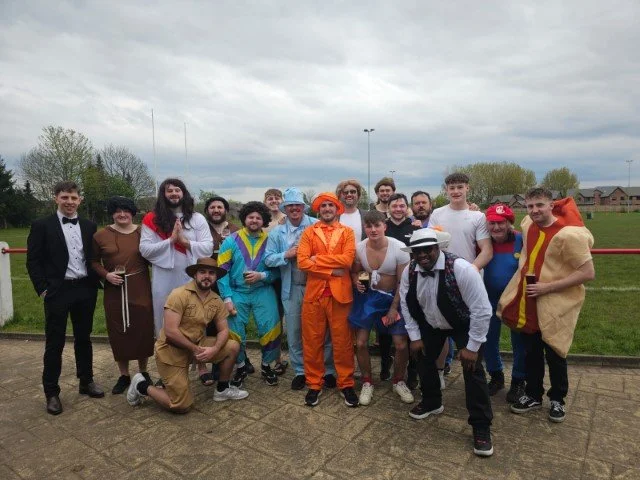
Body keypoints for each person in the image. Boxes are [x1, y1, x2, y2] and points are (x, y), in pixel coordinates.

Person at [499, 188, 595, 423]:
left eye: (540, 205)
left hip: (556, 303)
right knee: (531, 352)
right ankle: (533, 394)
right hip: (528, 300)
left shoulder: (568, 234)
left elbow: (588, 272)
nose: (535, 210)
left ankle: (558, 399)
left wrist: (548, 287)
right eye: (530, 206)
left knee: (555, 351)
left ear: (552, 205)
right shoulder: (528, 225)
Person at [399, 228, 494, 457]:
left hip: (463, 322)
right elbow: (405, 303)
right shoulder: (410, 270)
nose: (422, 255)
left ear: (437, 248)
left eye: (427, 249)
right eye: (417, 251)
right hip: (431, 322)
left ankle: (481, 426)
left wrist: (472, 347)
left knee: (472, 370)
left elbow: (482, 310)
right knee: (422, 357)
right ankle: (432, 401)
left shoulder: (461, 269)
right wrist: (415, 337)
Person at [126, 258, 248, 412]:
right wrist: (195, 349)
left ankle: (223, 389)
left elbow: (224, 330)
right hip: (171, 351)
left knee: (232, 346)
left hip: (197, 346)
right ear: (195, 275)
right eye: (202, 272)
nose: (207, 276)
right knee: (181, 406)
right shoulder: (179, 294)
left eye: (211, 273)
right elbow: (170, 331)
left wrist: (215, 349)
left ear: (216, 277)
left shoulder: (216, 300)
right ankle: (141, 385)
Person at [26, 181, 104, 415]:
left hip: (85, 289)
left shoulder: (90, 226)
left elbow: (93, 257)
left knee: (84, 338)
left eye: (73, 198)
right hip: (57, 291)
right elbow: (33, 260)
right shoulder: (42, 225)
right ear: (56, 199)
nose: (69, 202)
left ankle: (86, 381)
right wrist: (43, 289)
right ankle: (51, 392)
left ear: (80, 200)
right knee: (55, 342)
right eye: (65, 197)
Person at [265, 188, 337, 390]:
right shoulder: (277, 232)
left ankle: (327, 370)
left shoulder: (318, 225)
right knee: (295, 331)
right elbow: (268, 259)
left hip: (319, 285)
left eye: (298, 205)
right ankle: (300, 370)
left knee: (323, 330)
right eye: (290, 206)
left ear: (303, 207)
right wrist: (285, 255)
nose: (294, 209)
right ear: (285, 208)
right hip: (292, 287)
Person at [429, 172, 493, 381]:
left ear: (467, 188)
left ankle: (474, 382)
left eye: (460, 187)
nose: (456, 191)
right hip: (441, 280)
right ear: (446, 190)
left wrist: (469, 271)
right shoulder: (437, 214)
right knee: (439, 328)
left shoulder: (477, 216)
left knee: (469, 334)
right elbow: (431, 247)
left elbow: (486, 251)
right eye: (451, 188)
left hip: (468, 282)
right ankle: (439, 375)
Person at [298, 192, 358, 407]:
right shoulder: (309, 232)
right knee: (312, 341)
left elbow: (347, 260)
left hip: (340, 297)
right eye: (323, 206)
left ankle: (346, 383)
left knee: (343, 343)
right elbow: (302, 262)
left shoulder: (347, 232)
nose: (327, 209)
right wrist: (331, 271)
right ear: (318, 210)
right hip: (314, 295)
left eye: (330, 205)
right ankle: (314, 383)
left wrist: (318, 260)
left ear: (337, 209)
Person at [91, 196, 155, 394]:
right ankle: (124, 375)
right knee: (119, 330)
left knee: (143, 328)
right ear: (112, 213)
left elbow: (154, 256)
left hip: (140, 286)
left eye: (126, 211)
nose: (122, 214)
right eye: (118, 211)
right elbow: (93, 261)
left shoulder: (144, 233)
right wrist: (106, 275)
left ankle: (143, 372)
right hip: (115, 288)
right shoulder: (101, 235)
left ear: (132, 213)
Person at [350, 211, 414, 406]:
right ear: (365, 228)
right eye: (369, 226)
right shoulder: (360, 247)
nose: (373, 230)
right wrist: (358, 282)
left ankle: (398, 380)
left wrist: (394, 308)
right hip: (369, 297)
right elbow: (357, 271)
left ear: (384, 226)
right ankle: (367, 381)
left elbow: (403, 283)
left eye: (377, 225)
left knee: (400, 344)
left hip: (394, 297)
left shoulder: (399, 247)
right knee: (361, 343)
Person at [217, 201, 282, 386]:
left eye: (258, 218)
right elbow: (221, 270)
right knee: (234, 332)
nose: (254, 220)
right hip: (237, 292)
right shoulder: (231, 240)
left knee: (271, 328)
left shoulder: (270, 241)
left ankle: (267, 365)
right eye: (250, 217)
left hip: (263, 290)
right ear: (244, 218)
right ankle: (240, 366)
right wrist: (227, 297)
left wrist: (262, 276)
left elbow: (278, 271)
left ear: (264, 220)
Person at [140, 178, 213, 337]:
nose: (174, 193)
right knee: (164, 317)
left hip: (190, 276)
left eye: (177, 190)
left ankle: (195, 350)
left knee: (193, 317)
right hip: (163, 277)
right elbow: (145, 250)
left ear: (183, 193)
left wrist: (184, 242)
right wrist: (171, 241)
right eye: (169, 190)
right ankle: (165, 350)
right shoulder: (151, 219)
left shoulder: (197, 218)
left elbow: (208, 248)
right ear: (163, 194)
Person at [482, 204, 527, 402]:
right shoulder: (483, 241)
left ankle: (518, 380)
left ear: (509, 223)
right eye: (492, 223)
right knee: (488, 339)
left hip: (515, 299)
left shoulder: (521, 239)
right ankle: (496, 375)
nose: (496, 227)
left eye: (501, 223)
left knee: (519, 341)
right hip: (488, 298)